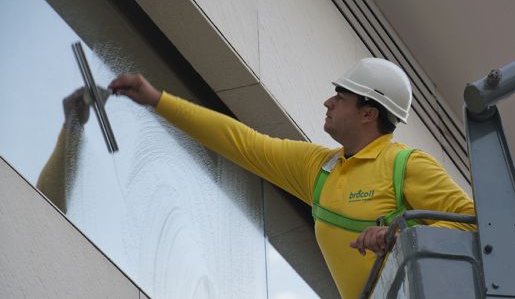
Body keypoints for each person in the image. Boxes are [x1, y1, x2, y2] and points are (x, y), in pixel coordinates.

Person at [109, 58, 475, 298]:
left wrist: (400, 237)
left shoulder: (406, 165)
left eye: (340, 98)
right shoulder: (321, 169)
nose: (328, 103)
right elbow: (244, 143)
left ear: (368, 113)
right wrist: (158, 100)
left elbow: (479, 230)